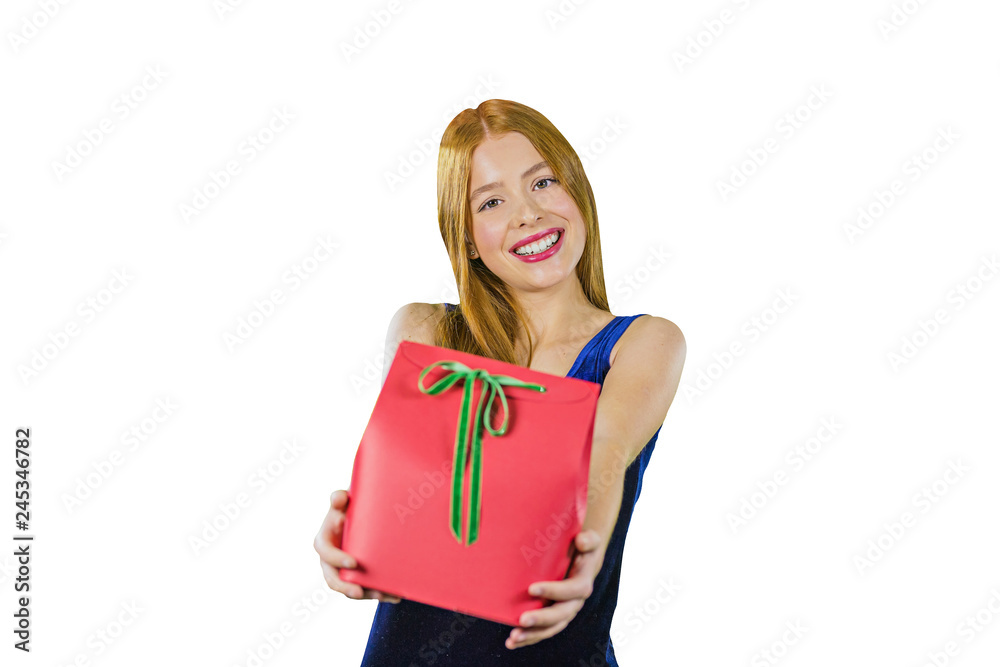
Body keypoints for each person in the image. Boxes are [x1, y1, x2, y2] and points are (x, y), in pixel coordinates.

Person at [314, 99, 685, 665]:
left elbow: (603, 449)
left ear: (578, 192)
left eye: (543, 183)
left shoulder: (643, 344)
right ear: (465, 235)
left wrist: (582, 550)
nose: (528, 214)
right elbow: (395, 472)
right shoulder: (427, 330)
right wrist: (352, 536)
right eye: (492, 201)